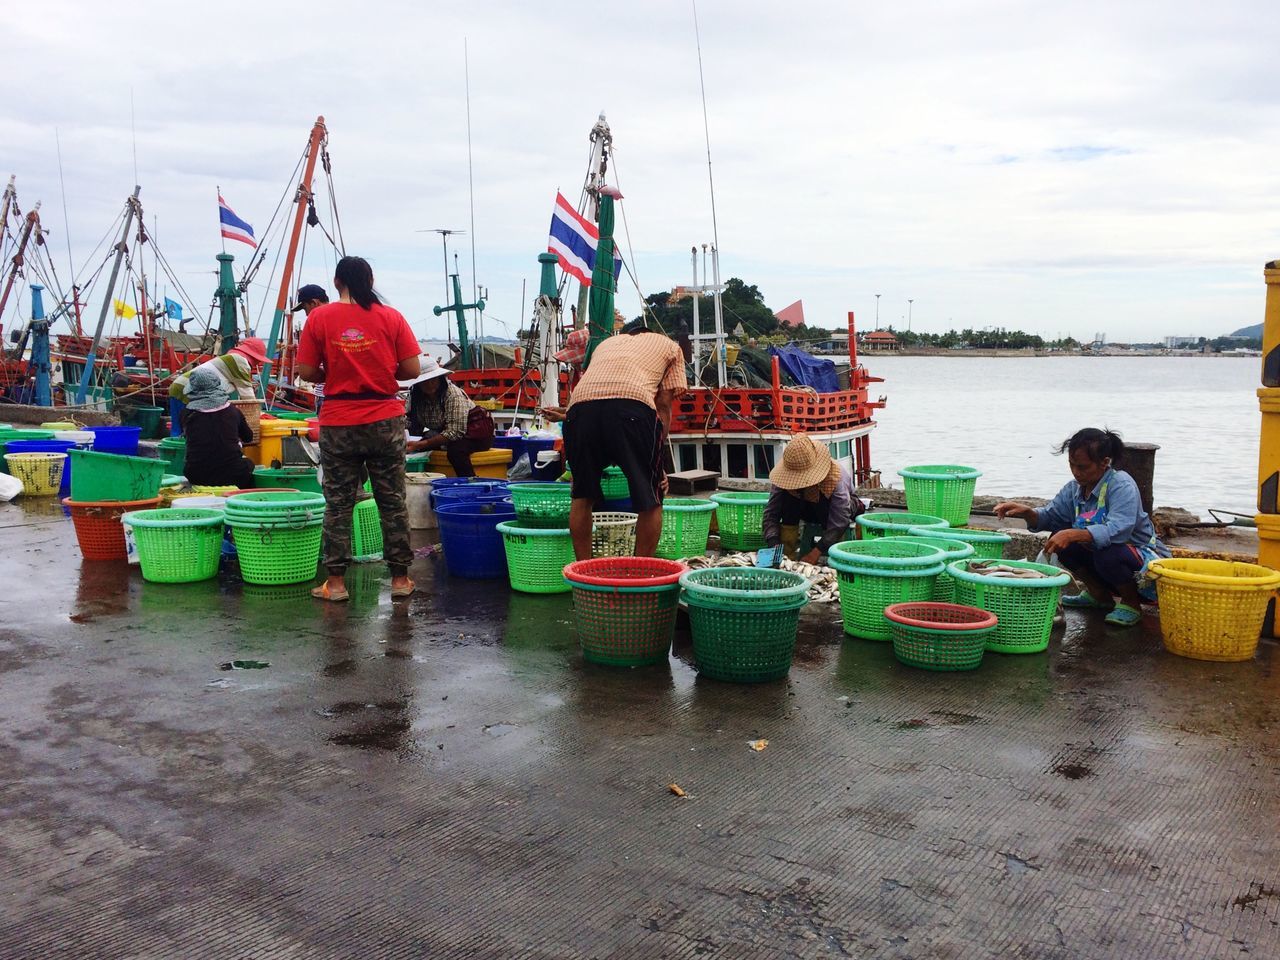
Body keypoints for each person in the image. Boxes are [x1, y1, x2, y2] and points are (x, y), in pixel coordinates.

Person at [295, 256, 421, 602]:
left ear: (337, 283)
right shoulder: (391, 317)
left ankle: (335, 584)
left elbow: (306, 371)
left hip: (339, 420)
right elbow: (411, 369)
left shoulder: (319, 317)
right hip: (385, 418)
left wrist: (332, 374)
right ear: (371, 279)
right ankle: (399, 580)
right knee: (392, 500)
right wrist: (380, 369)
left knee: (338, 503)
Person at [995, 427, 1170, 627]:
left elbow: (1120, 530)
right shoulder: (1074, 489)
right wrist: (1028, 513)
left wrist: (1074, 534)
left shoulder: (1121, 485)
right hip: (1105, 559)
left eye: (1083, 467)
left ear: (1104, 462)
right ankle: (1099, 596)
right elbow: (1052, 516)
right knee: (1062, 542)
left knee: (1107, 552)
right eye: (1072, 465)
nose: (1076, 472)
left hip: (1143, 562)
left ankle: (1131, 603)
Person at [562, 319, 687, 560]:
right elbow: (662, 403)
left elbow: (599, 394)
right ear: (651, 334)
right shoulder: (670, 347)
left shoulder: (607, 344)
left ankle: (583, 571)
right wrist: (657, 463)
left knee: (582, 495)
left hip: (579, 412)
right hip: (632, 408)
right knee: (650, 500)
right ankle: (640, 570)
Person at [761, 434, 866, 564]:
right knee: (788, 501)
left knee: (827, 506)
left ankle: (835, 553)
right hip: (807, 507)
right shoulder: (784, 478)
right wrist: (773, 543)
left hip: (837, 512)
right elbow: (771, 513)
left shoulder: (835, 478)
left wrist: (816, 552)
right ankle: (787, 554)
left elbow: (840, 520)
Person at [403, 357, 493, 477]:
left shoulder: (452, 394)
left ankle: (470, 482)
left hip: (473, 433)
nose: (429, 385)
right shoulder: (415, 398)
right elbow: (411, 424)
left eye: (433, 380)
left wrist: (421, 444)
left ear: (439, 379)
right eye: (425, 381)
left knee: (456, 451)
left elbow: (455, 432)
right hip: (443, 432)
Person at [167, 338, 269, 437]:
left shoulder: (232, 357)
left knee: (178, 427)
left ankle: (175, 451)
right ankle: (179, 451)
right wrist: (258, 413)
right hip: (186, 389)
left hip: (179, 386)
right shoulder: (239, 361)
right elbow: (247, 394)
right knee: (185, 429)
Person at [179, 367, 255, 489]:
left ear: (193, 390)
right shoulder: (233, 412)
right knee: (249, 464)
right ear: (217, 386)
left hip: (196, 475)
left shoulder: (186, 413)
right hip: (233, 475)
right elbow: (248, 437)